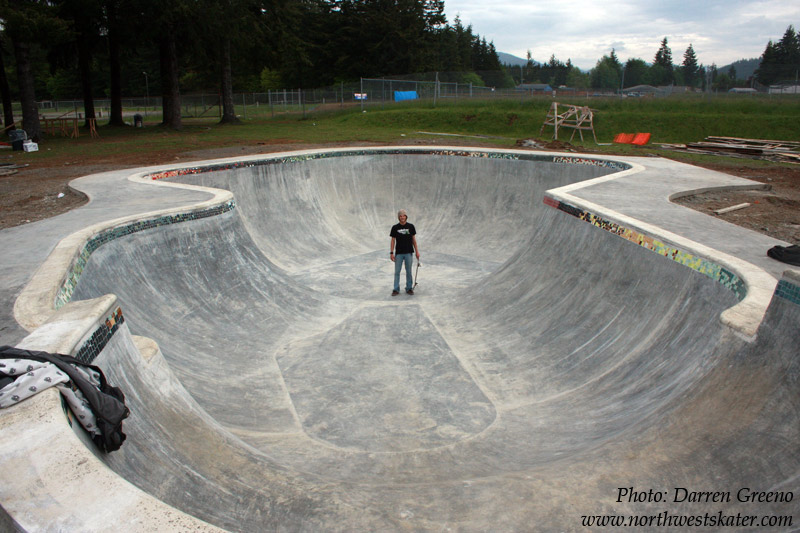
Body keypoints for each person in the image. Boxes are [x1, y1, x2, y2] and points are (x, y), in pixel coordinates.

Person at [389, 209, 420, 296]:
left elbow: (414, 240)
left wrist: (417, 251)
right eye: (400, 216)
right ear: (399, 217)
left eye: (404, 216)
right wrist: (391, 253)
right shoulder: (395, 227)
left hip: (408, 252)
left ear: (406, 217)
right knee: (397, 272)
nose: (402, 217)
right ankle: (396, 289)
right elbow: (392, 241)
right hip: (399, 253)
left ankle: (409, 288)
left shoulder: (411, 226)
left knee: (409, 271)